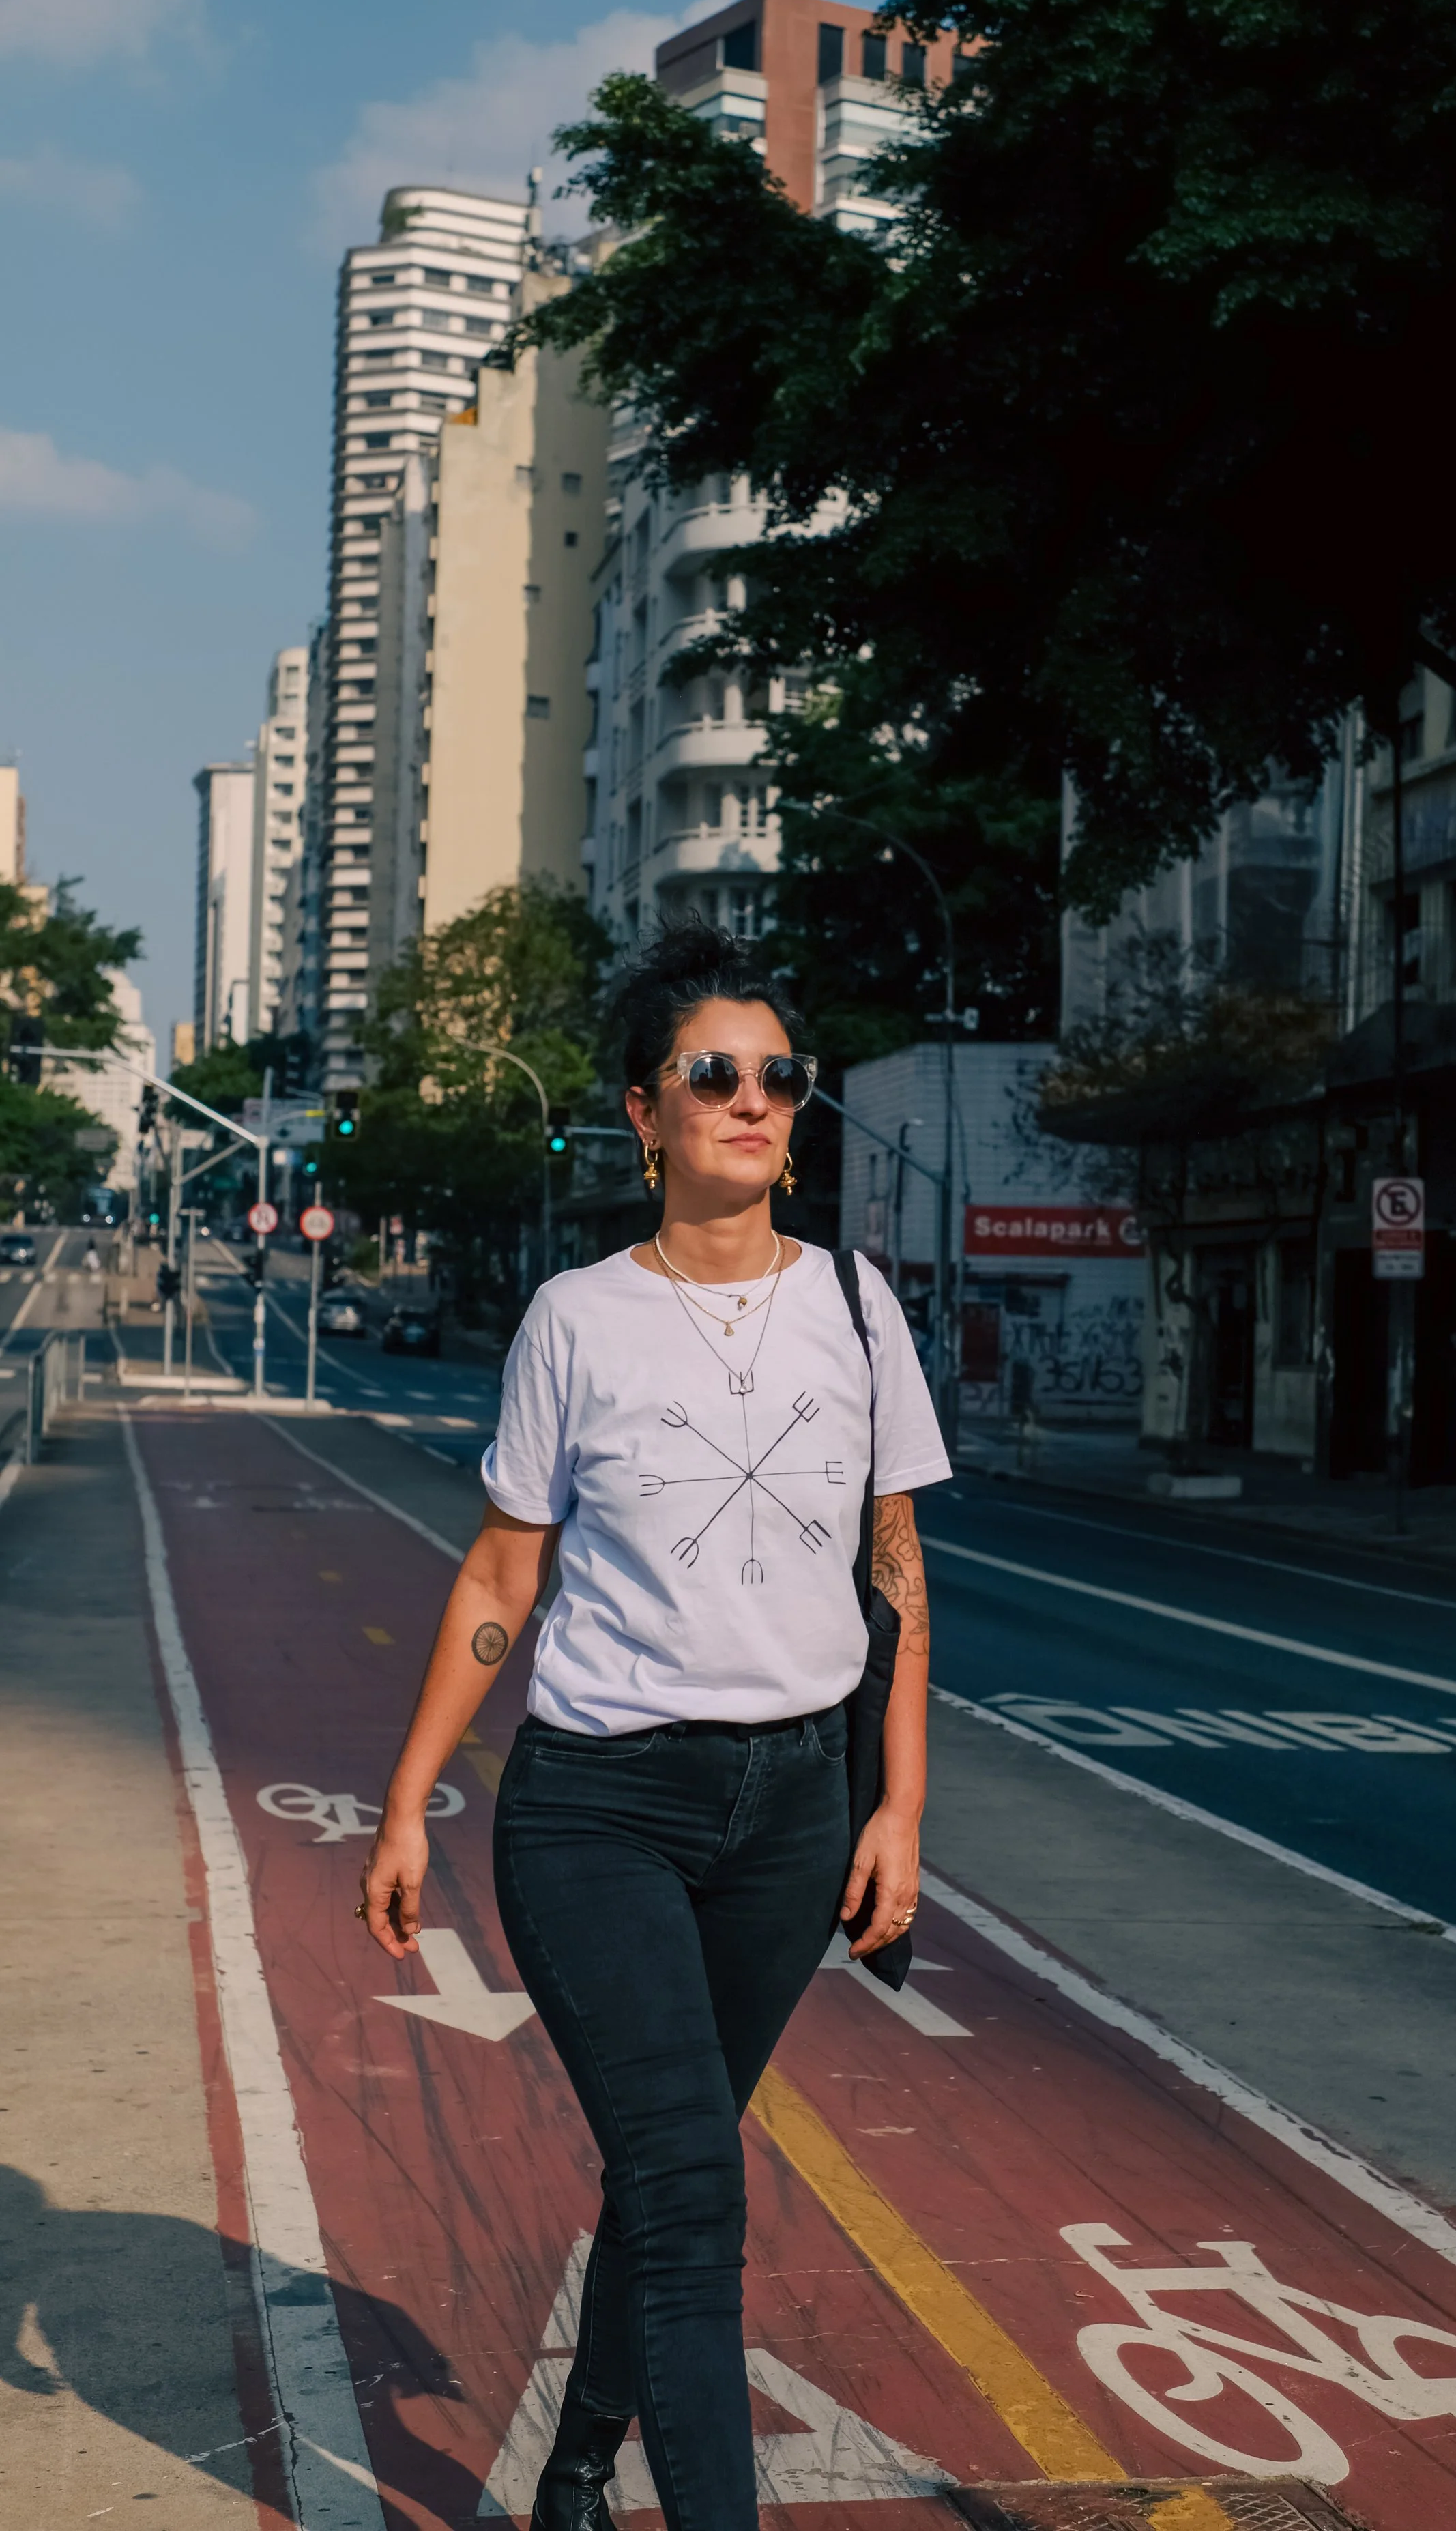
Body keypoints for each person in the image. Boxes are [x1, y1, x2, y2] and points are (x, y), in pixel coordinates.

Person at [358, 923, 950, 2531]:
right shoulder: (575, 1319)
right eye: (714, 1075)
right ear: (643, 1112)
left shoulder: (854, 1301)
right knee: (693, 2189)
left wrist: (896, 1810)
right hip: (598, 1809)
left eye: (778, 1079)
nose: (752, 1103)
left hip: (792, 1813)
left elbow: (894, 1569)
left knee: (668, 2167)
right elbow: (502, 1569)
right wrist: (407, 1803)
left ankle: (576, 2452)